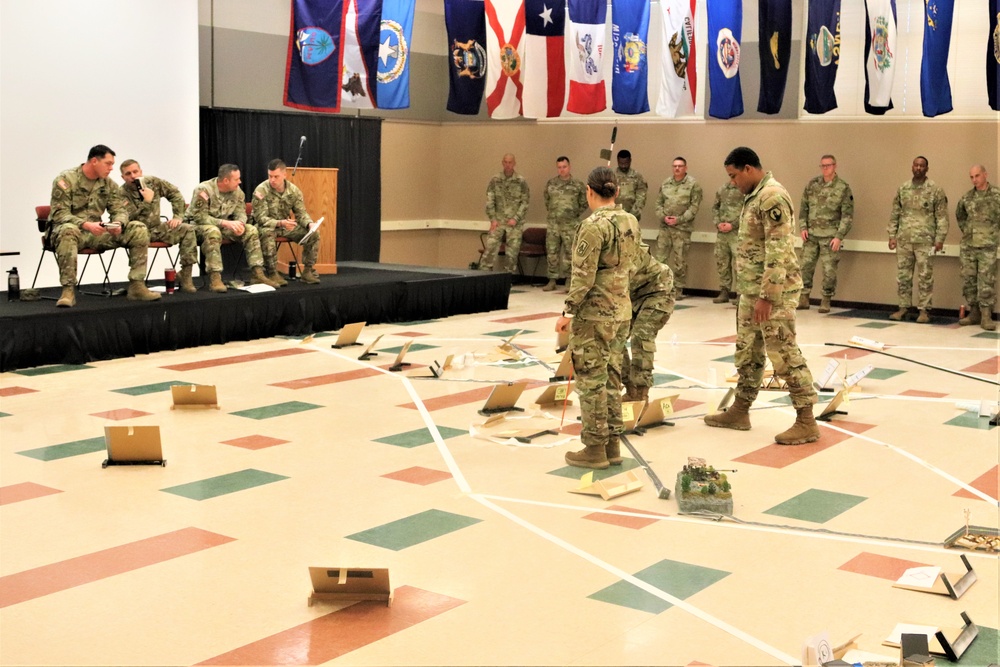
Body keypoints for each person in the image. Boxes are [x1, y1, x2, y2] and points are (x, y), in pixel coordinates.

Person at [705, 147, 819, 445]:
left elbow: (779, 249)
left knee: (783, 352)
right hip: (751, 290)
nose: (732, 182)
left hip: (773, 293)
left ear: (748, 169)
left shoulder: (771, 196)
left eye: (733, 176)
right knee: (748, 351)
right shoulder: (754, 196)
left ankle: (806, 420)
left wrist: (768, 296)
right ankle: (740, 410)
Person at [555, 166, 641, 469]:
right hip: (621, 312)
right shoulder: (630, 220)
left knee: (591, 381)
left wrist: (567, 312)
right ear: (615, 192)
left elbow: (583, 275)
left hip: (594, 315)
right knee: (612, 378)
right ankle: (612, 445)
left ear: (589, 192)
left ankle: (594, 447)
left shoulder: (592, 226)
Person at [47, 144, 160, 308]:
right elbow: (59, 214)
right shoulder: (66, 180)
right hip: (69, 231)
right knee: (68, 230)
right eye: (108, 163)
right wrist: (85, 224)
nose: (111, 168)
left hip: (96, 233)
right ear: (94, 161)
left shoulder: (108, 185)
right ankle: (68, 291)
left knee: (137, 228)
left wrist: (118, 223)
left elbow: (119, 209)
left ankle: (137, 286)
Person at [184, 164, 279, 292]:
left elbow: (241, 212)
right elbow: (199, 217)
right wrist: (225, 223)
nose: (240, 182)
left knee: (250, 230)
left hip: (222, 226)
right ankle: (215, 278)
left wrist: (240, 223)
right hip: (196, 227)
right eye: (236, 179)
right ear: (226, 180)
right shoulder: (204, 190)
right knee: (213, 231)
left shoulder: (238, 192)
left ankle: (257, 273)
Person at [118, 159, 198, 294]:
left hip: (156, 228)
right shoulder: (121, 194)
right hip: (135, 233)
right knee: (139, 230)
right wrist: (147, 201)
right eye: (128, 174)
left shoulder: (153, 182)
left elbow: (175, 194)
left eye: (135, 171)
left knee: (187, 229)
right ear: (123, 177)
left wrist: (178, 216)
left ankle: (186, 275)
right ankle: (138, 285)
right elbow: (128, 218)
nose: (133, 176)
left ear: (141, 171)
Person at [887, 156, 949, 323]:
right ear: (912, 167)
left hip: (925, 240)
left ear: (927, 168)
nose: (918, 168)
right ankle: (903, 308)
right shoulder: (903, 188)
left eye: (922, 166)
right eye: (916, 165)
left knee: (925, 276)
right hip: (904, 239)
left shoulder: (935, 189)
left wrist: (940, 238)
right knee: (903, 276)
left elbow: (942, 216)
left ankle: (924, 311)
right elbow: (895, 214)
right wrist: (892, 235)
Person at [250, 159, 322, 285]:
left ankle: (308, 271)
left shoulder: (294, 191)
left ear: (284, 174)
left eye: (276, 176)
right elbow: (261, 219)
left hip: (285, 226)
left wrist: (310, 224)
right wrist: (280, 223)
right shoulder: (261, 190)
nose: (272, 180)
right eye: (270, 176)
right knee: (267, 232)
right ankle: (272, 273)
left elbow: (301, 213)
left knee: (314, 234)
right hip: (267, 226)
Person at [799, 155, 854, 313]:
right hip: (811, 235)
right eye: (822, 166)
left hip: (830, 237)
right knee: (805, 268)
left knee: (829, 271)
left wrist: (839, 236)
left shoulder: (842, 188)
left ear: (835, 166)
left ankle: (826, 299)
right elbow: (804, 208)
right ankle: (804, 297)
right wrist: (803, 227)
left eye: (828, 165)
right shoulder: (812, 185)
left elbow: (847, 216)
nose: (825, 168)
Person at [623, 245, 675, 403]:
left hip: (658, 289)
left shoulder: (626, 244)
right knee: (614, 339)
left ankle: (641, 394)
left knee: (641, 336)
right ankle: (629, 388)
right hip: (630, 294)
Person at [956, 164, 1000, 331]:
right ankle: (974, 312)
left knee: (986, 281)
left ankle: (986, 315)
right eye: (972, 177)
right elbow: (960, 216)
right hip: (969, 246)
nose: (974, 180)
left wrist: (992, 234)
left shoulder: (996, 196)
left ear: (985, 175)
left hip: (987, 246)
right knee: (969, 280)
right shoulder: (967, 198)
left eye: (977, 176)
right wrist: (969, 233)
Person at [653, 157, 702, 300]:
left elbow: (694, 207)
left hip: (682, 229)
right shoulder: (666, 183)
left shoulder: (693, 185)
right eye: (674, 166)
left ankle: (678, 289)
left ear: (685, 168)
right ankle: (660, 287)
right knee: (660, 259)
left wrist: (679, 220)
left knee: (680, 261)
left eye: (680, 166)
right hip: (665, 228)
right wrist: (663, 217)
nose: (677, 169)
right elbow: (658, 204)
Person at [542, 156, 587, 291]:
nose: (562, 170)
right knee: (552, 252)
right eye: (559, 167)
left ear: (569, 167)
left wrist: (573, 213)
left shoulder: (577, 185)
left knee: (570, 253)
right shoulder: (551, 183)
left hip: (570, 224)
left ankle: (569, 280)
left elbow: (584, 202)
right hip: (553, 224)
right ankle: (552, 280)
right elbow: (547, 200)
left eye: (564, 167)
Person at [480, 153, 530, 273]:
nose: (508, 165)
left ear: (514, 164)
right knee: (490, 249)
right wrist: (493, 219)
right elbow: (490, 200)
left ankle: (507, 278)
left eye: (510, 162)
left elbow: (525, 203)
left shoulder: (520, 181)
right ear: (502, 163)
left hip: (514, 223)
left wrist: (516, 218)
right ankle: (484, 275)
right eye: (505, 162)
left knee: (512, 253)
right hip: (498, 221)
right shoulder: (495, 180)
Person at [712, 182, 743, 304]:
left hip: (737, 233)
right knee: (722, 262)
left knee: (739, 264)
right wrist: (718, 223)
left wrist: (733, 225)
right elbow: (715, 208)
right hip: (722, 233)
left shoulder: (744, 190)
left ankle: (740, 293)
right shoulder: (722, 189)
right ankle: (724, 291)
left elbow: (748, 211)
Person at [614, 149, 648, 222]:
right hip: (614, 216)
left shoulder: (637, 176)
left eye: (625, 163)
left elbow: (641, 196)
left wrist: (633, 213)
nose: (623, 166)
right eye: (620, 163)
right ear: (617, 161)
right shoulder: (611, 176)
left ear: (630, 161)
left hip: (632, 215)